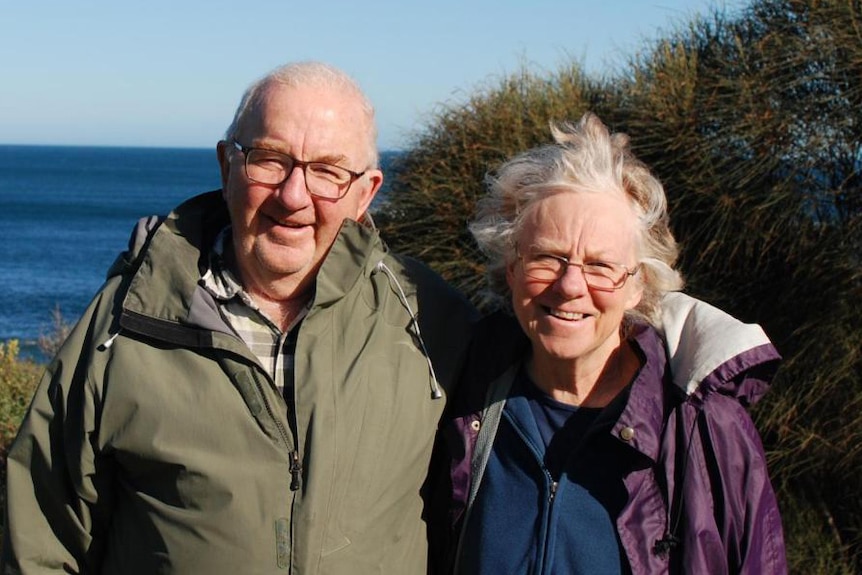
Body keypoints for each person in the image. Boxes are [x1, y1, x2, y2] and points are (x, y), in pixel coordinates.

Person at [2, 61, 478, 574]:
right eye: (270, 160)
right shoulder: (127, 322)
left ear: (365, 194)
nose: (294, 196)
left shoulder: (430, 321)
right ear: (228, 166)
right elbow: (42, 539)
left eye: (327, 171)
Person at [430, 113, 786, 573]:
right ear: (511, 269)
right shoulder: (462, 394)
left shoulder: (700, 430)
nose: (571, 285)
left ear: (639, 285)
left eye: (600, 265)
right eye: (547, 257)